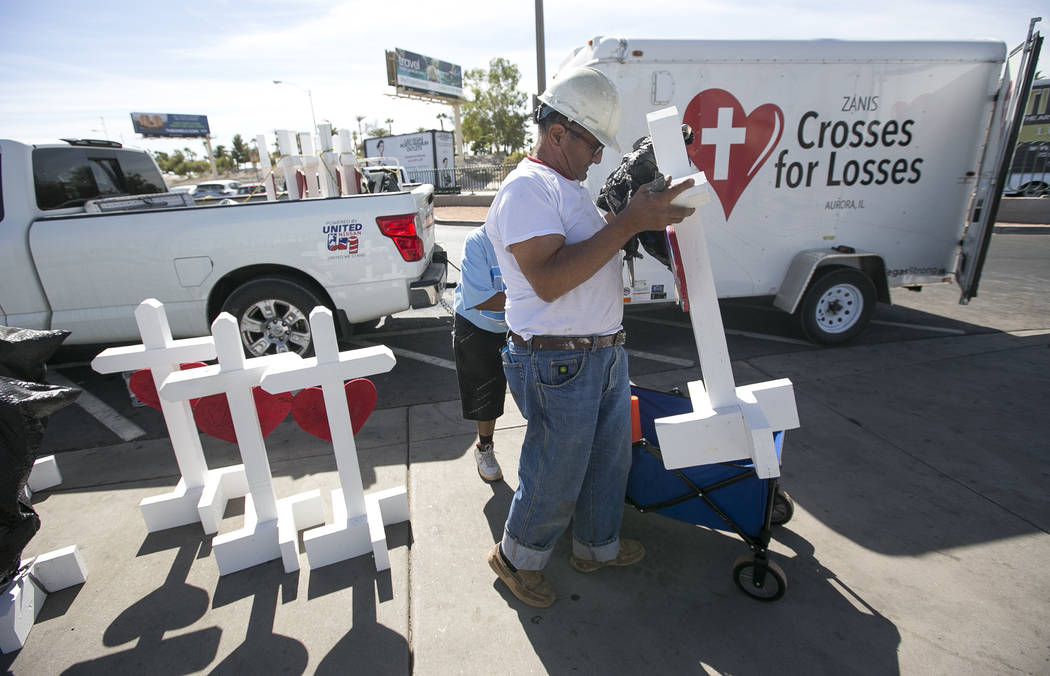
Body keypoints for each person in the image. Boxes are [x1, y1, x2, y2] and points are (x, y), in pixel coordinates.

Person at [484, 66, 695, 607]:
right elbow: (550, 280)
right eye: (592, 143)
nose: (599, 157)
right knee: (556, 470)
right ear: (558, 133)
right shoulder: (528, 189)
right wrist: (626, 222)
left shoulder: (567, 189)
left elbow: (592, 248)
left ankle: (595, 547)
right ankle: (516, 559)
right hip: (556, 361)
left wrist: (625, 214)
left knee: (608, 458)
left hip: (598, 353)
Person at [452, 224, 508, 482]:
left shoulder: (530, 236)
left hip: (515, 324)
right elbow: (480, 298)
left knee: (534, 392)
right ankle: (484, 447)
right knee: (486, 395)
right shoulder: (477, 241)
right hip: (477, 326)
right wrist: (537, 294)